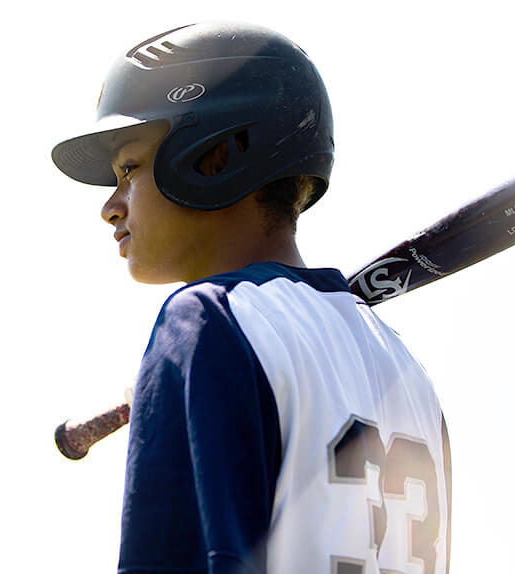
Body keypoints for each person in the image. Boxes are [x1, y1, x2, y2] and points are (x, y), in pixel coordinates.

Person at [52, 21, 451, 574]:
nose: (111, 206)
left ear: (218, 152)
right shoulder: (409, 373)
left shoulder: (205, 322)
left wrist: (184, 368)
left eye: (128, 168)